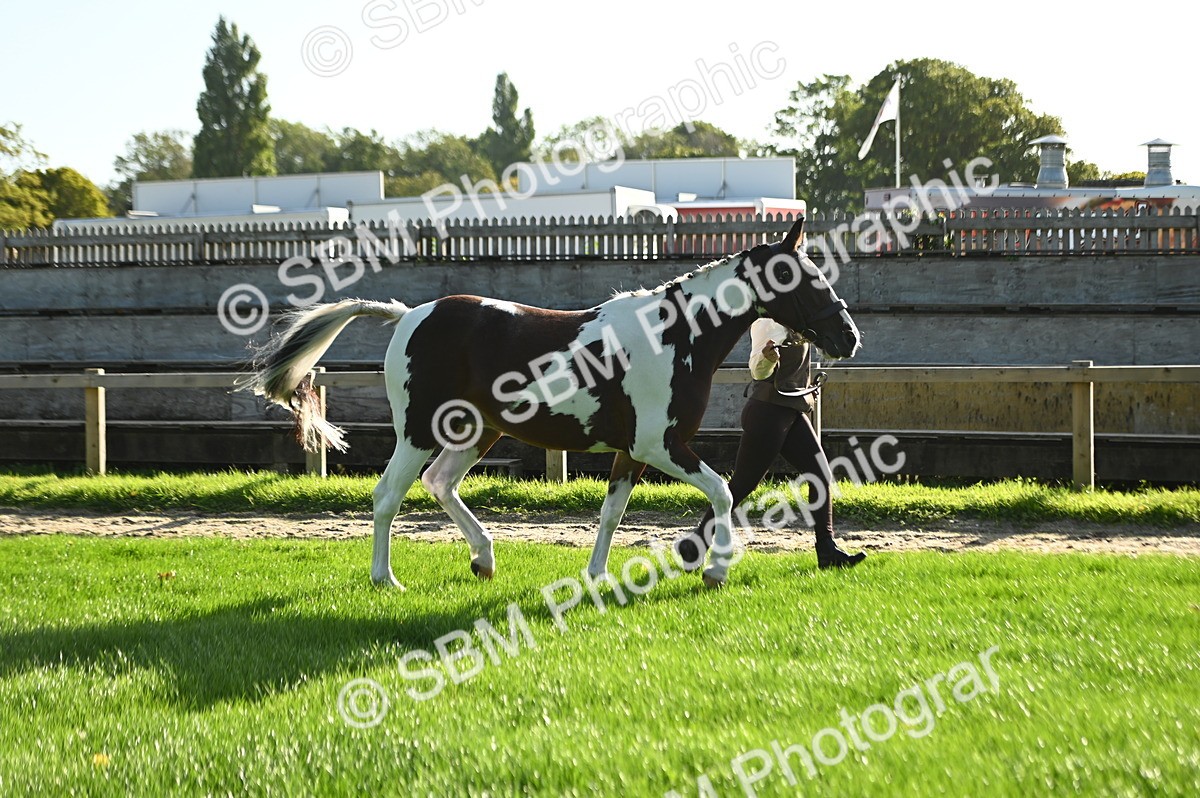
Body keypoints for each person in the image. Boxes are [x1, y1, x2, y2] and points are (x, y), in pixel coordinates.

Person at [675, 317, 867, 570]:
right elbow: (757, 369)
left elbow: (795, 369)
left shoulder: (797, 319)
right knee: (742, 485)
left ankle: (827, 551)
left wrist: (807, 388)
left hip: (789, 412)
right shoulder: (768, 322)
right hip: (769, 413)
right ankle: (697, 543)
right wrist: (768, 359)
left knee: (820, 474)